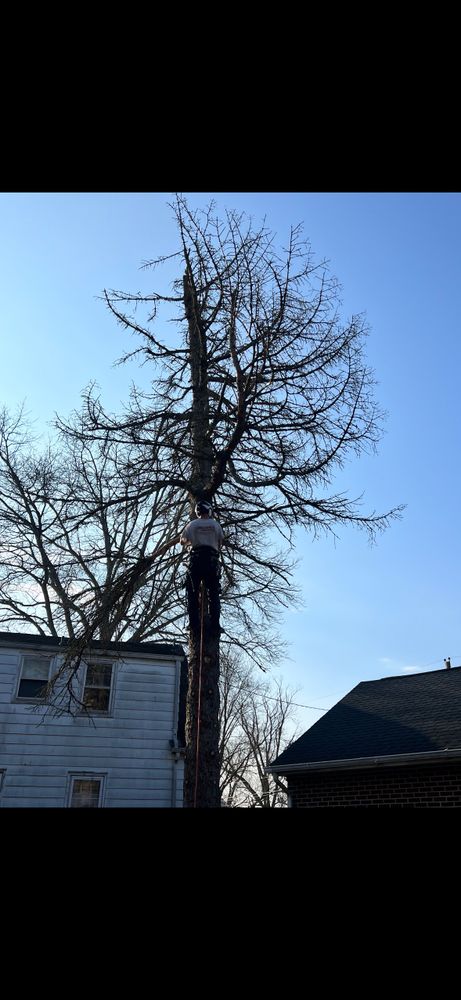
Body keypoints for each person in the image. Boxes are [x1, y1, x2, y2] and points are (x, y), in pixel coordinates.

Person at [181, 500, 224, 633]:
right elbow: (221, 541)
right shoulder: (215, 525)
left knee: (192, 593)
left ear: (197, 512)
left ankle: (193, 624)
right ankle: (215, 625)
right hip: (211, 560)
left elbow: (182, 541)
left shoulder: (192, 525)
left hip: (196, 560)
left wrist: (190, 541)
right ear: (209, 511)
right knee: (214, 594)